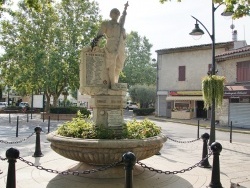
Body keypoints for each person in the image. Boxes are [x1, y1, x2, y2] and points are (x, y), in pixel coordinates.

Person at [94, 7, 127, 90]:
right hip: (111, 44)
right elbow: (99, 34)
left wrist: (123, 33)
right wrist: (95, 45)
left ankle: (115, 80)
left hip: (120, 46)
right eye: (114, 13)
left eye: (117, 13)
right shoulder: (106, 24)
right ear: (110, 14)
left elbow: (124, 37)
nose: (116, 15)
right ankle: (112, 83)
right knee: (112, 64)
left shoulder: (120, 26)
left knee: (119, 64)